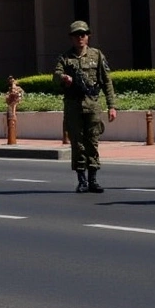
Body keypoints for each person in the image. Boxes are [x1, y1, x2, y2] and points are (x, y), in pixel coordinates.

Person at [54, 20, 118, 193]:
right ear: (71, 38)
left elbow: (106, 82)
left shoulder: (97, 55)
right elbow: (55, 76)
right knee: (78, 144)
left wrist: (112, 106)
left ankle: (93, 180)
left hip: (92, 106)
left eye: (83, 34)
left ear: (88, 36)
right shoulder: (65, 58)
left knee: (93, 142)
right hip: (73, 106)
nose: (80, 38)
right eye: (76, 35)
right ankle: (82, 180)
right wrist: (63, 79)